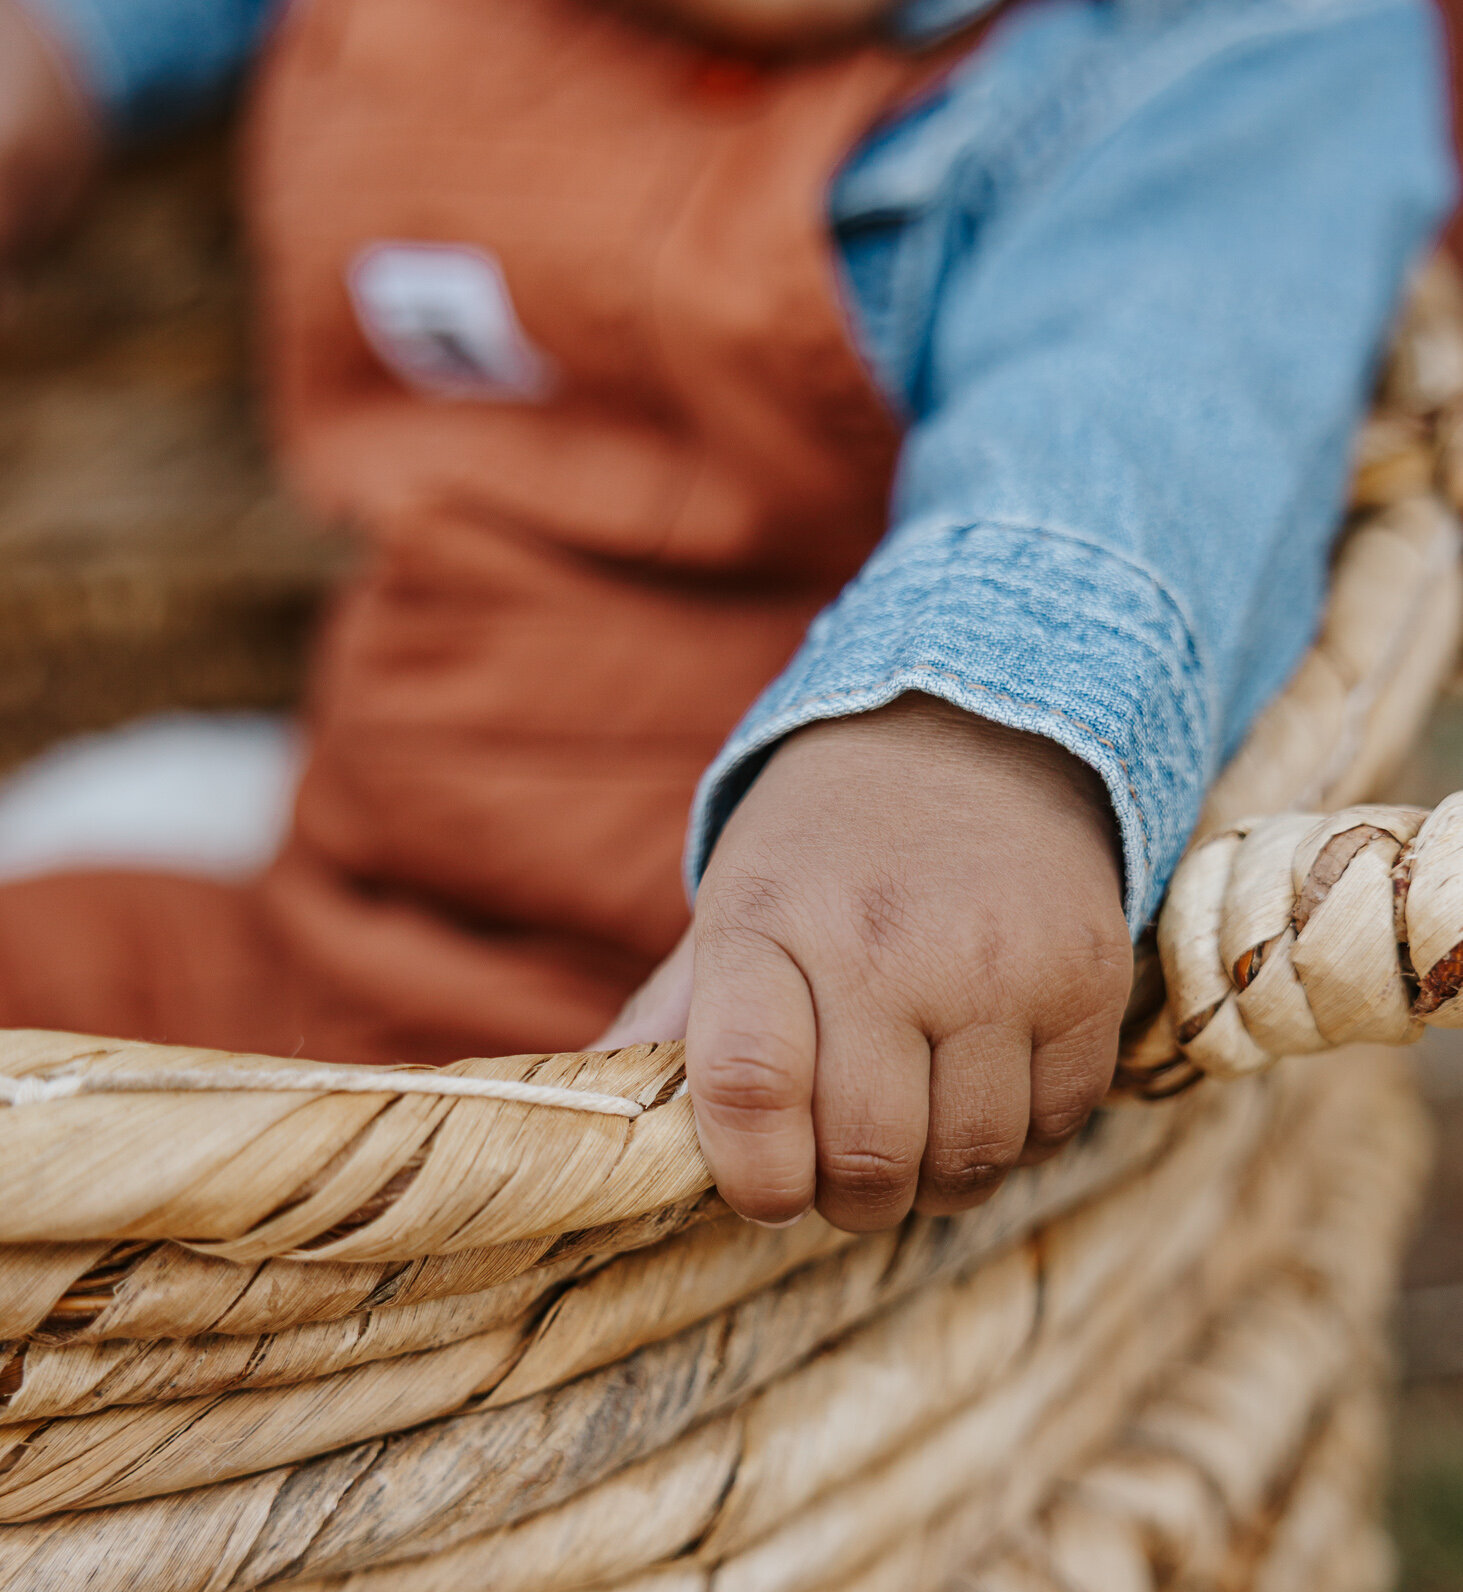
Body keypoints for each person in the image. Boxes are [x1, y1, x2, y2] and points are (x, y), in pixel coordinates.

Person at [0, 0, 1452, 1235]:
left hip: (716, 1049)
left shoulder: (1210, 60)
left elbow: (1160, 394)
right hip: (345, 903)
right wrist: (66, 46)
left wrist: (955, 733)